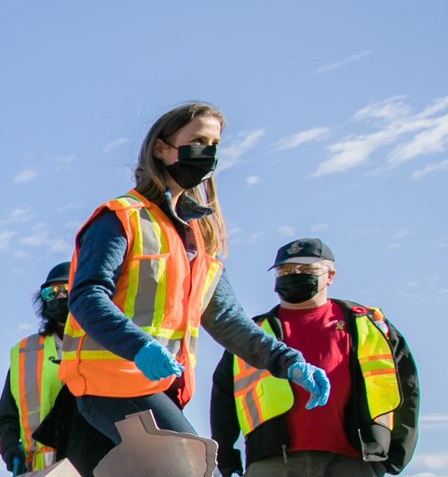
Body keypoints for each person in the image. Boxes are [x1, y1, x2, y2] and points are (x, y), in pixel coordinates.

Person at [57, 102, 332, 450]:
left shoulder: (200, 241)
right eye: (199, 140)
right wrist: (139, 345)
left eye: (215, 145)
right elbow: (87, 295)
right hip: (111, 386)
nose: (209, 153)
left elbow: (229, 321)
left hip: (162, 390)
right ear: (161, 148)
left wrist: (286, 360)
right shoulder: (121, 218)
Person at [210, 239, 419, 477]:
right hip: (273, 463)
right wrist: (226, 456)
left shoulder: (366, 324)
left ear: (330, 275)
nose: (294, 276)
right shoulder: (253, 333)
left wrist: (398, 449)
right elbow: (224, 395)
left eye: (306, 270)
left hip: (351, 461)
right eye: (286, 271)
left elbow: (405, 385)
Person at [0, 263, 114, 477]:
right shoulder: (25, 354)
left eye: (65, 290)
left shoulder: (104, 344)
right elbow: (4, 422)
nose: (58, 297)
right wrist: (11, 452)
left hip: (96, 474)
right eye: (51, 292)